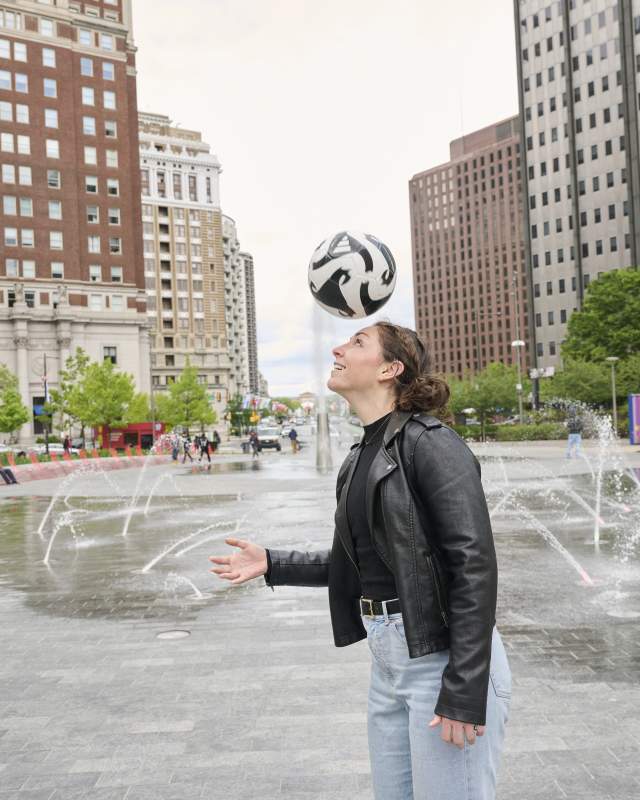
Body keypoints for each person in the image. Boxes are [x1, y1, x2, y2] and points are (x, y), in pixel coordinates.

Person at [209, 321, 511, 800]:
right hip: (388, 660)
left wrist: (465, 687)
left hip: (442, 660)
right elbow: (359, 564)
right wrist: (272, 562)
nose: (337, 348)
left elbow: (473, 566)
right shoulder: (360, 454)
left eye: (357, 342)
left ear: (391, 368)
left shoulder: (431, 443)